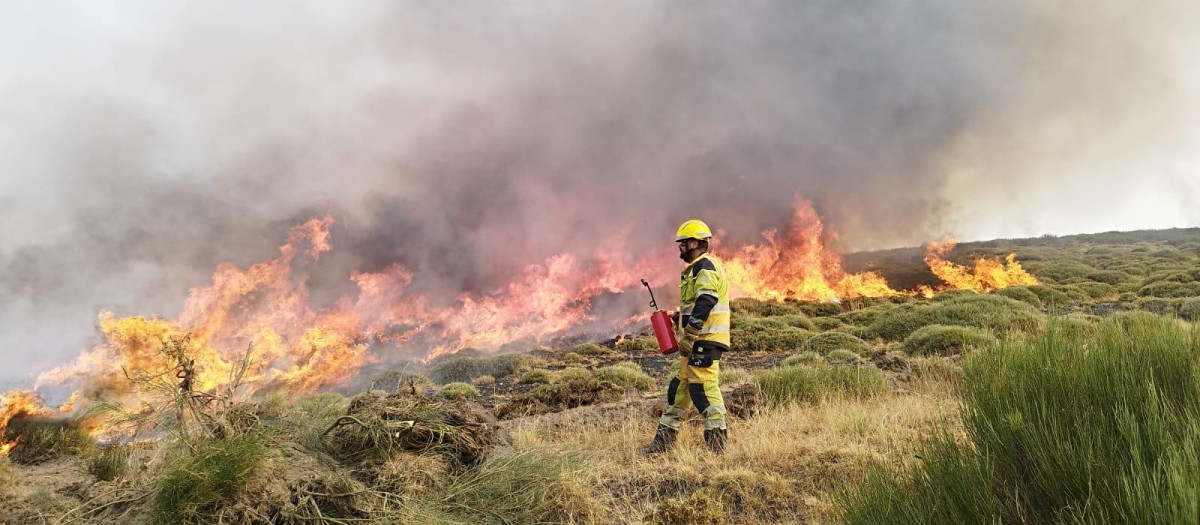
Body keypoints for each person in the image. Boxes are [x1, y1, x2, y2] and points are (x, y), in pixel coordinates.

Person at [642, 219, 730, 454]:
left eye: (682, 243)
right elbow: (696, 306)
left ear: (694, 243)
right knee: (679, 389)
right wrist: (678, 319)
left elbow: (707, 301)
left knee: (703, 389)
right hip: (694, 342)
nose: (679, 247)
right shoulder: (694, 270)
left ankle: (718, 446)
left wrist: (690, 332)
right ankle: (663, 442)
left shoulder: (705, 267)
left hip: (705, 340)